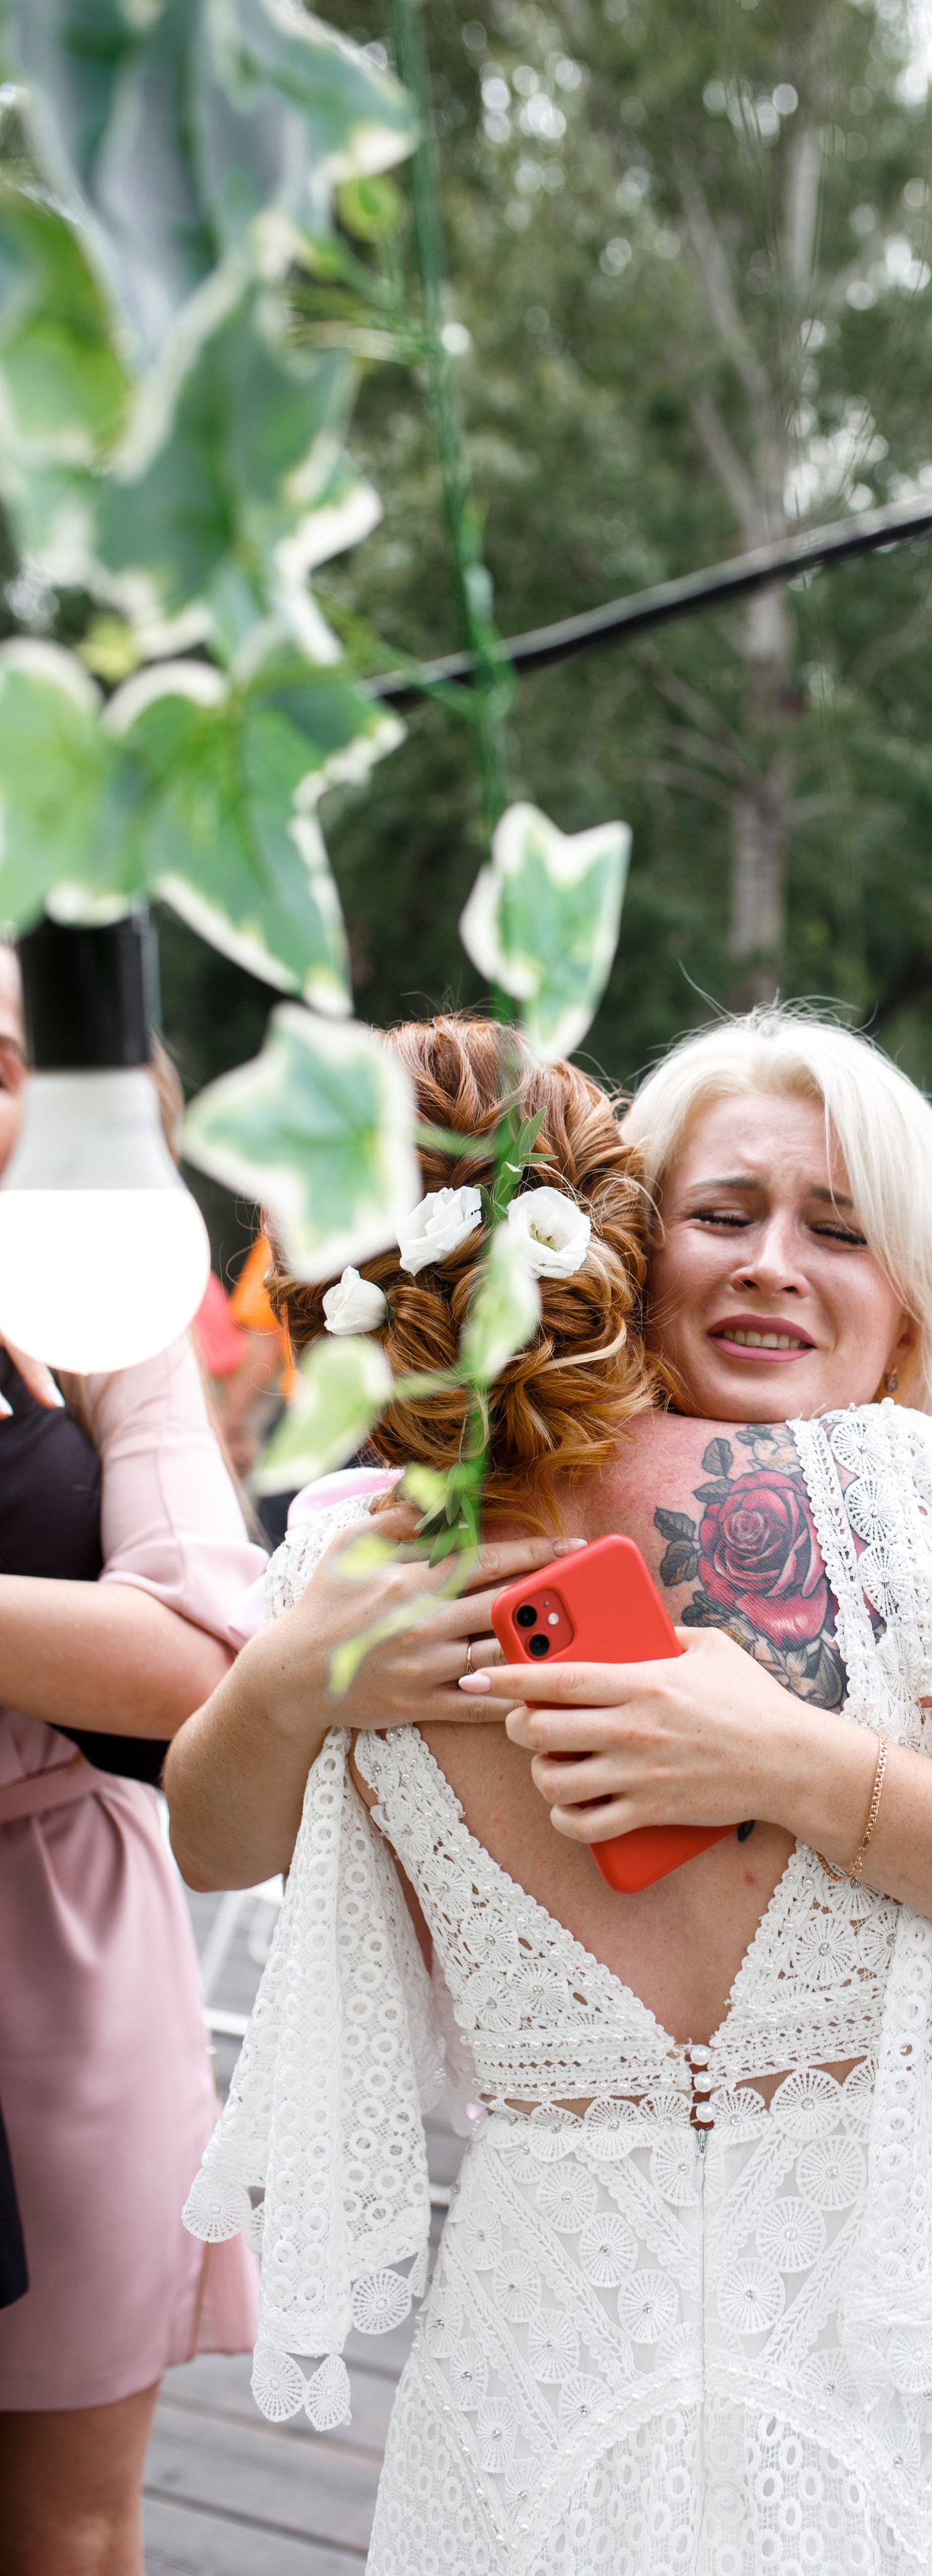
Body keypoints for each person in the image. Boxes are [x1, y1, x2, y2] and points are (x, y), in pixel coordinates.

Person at [166, 1011, 932, 2574]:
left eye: (839, 1227)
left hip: (722, 2356)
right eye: (721, 1215)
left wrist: (796, 1763)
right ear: (623, 1243)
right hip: (674, 2368)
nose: (772, 1265)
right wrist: (288, 1680)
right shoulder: (380, 1578)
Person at [0, 943, 263, 2576]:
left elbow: (194, 1659)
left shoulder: (103, 1306)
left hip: (60, 1944)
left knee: (69, 2522)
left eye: (6, 1057)